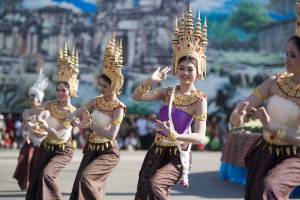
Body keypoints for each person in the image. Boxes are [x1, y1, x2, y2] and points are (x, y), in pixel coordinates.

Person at [132, 6, 208, 199]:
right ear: (175, 68)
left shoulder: (199, 100)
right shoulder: (167, 93)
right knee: (144, 191)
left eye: (190, 69)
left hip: (177, 154)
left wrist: (174, 134)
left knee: (156, 184)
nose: (185, 73)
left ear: (198, 72)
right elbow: (137, 97)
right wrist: (150, 81)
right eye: (181, 68)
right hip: (156, 150)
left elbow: (200, 137)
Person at [229, 2, 300, 199]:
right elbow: (246, 103)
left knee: (270, 187)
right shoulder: (273, 82)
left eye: (292, 55)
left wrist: (271, 126)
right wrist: (237, 115)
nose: (287, 59)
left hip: (294, 156)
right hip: (265, 151)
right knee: (254, 193)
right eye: (286, 53)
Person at [69, 35, 126, 200]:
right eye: (100, 85)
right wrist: (73, 118)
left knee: (86, 178)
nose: (101, 89)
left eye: (105, 86)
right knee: (84, 185)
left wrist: (89, 125)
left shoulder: (118, 107)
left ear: (114, 86)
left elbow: (111, 135)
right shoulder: (97, 101)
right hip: (92, 149)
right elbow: (81, 110)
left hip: (108, 151)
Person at [26, 43, 79, 200]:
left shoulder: (72, 112)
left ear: (70, 92)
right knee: (35, 179)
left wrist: (44, 126)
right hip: (46, 147)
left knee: (47, 174)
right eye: (58, 89)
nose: (60, 93)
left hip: (62, 150)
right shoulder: (50, 104)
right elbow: (31, 112)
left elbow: (58, 134)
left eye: (64, 90)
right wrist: (27, 118)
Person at [13, 69, 49, 190]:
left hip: (42, 141)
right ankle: (26, 183)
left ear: (39, 99)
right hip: (30, 141)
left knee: (41, 165)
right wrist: (27, 134)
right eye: (30, 97)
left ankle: (39, 184)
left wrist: (42, 133)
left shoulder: (45, 113)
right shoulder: (26, 112)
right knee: (26, 161)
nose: (31, 99)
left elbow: (47, 129)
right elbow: (26, 127)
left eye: (33, 97)